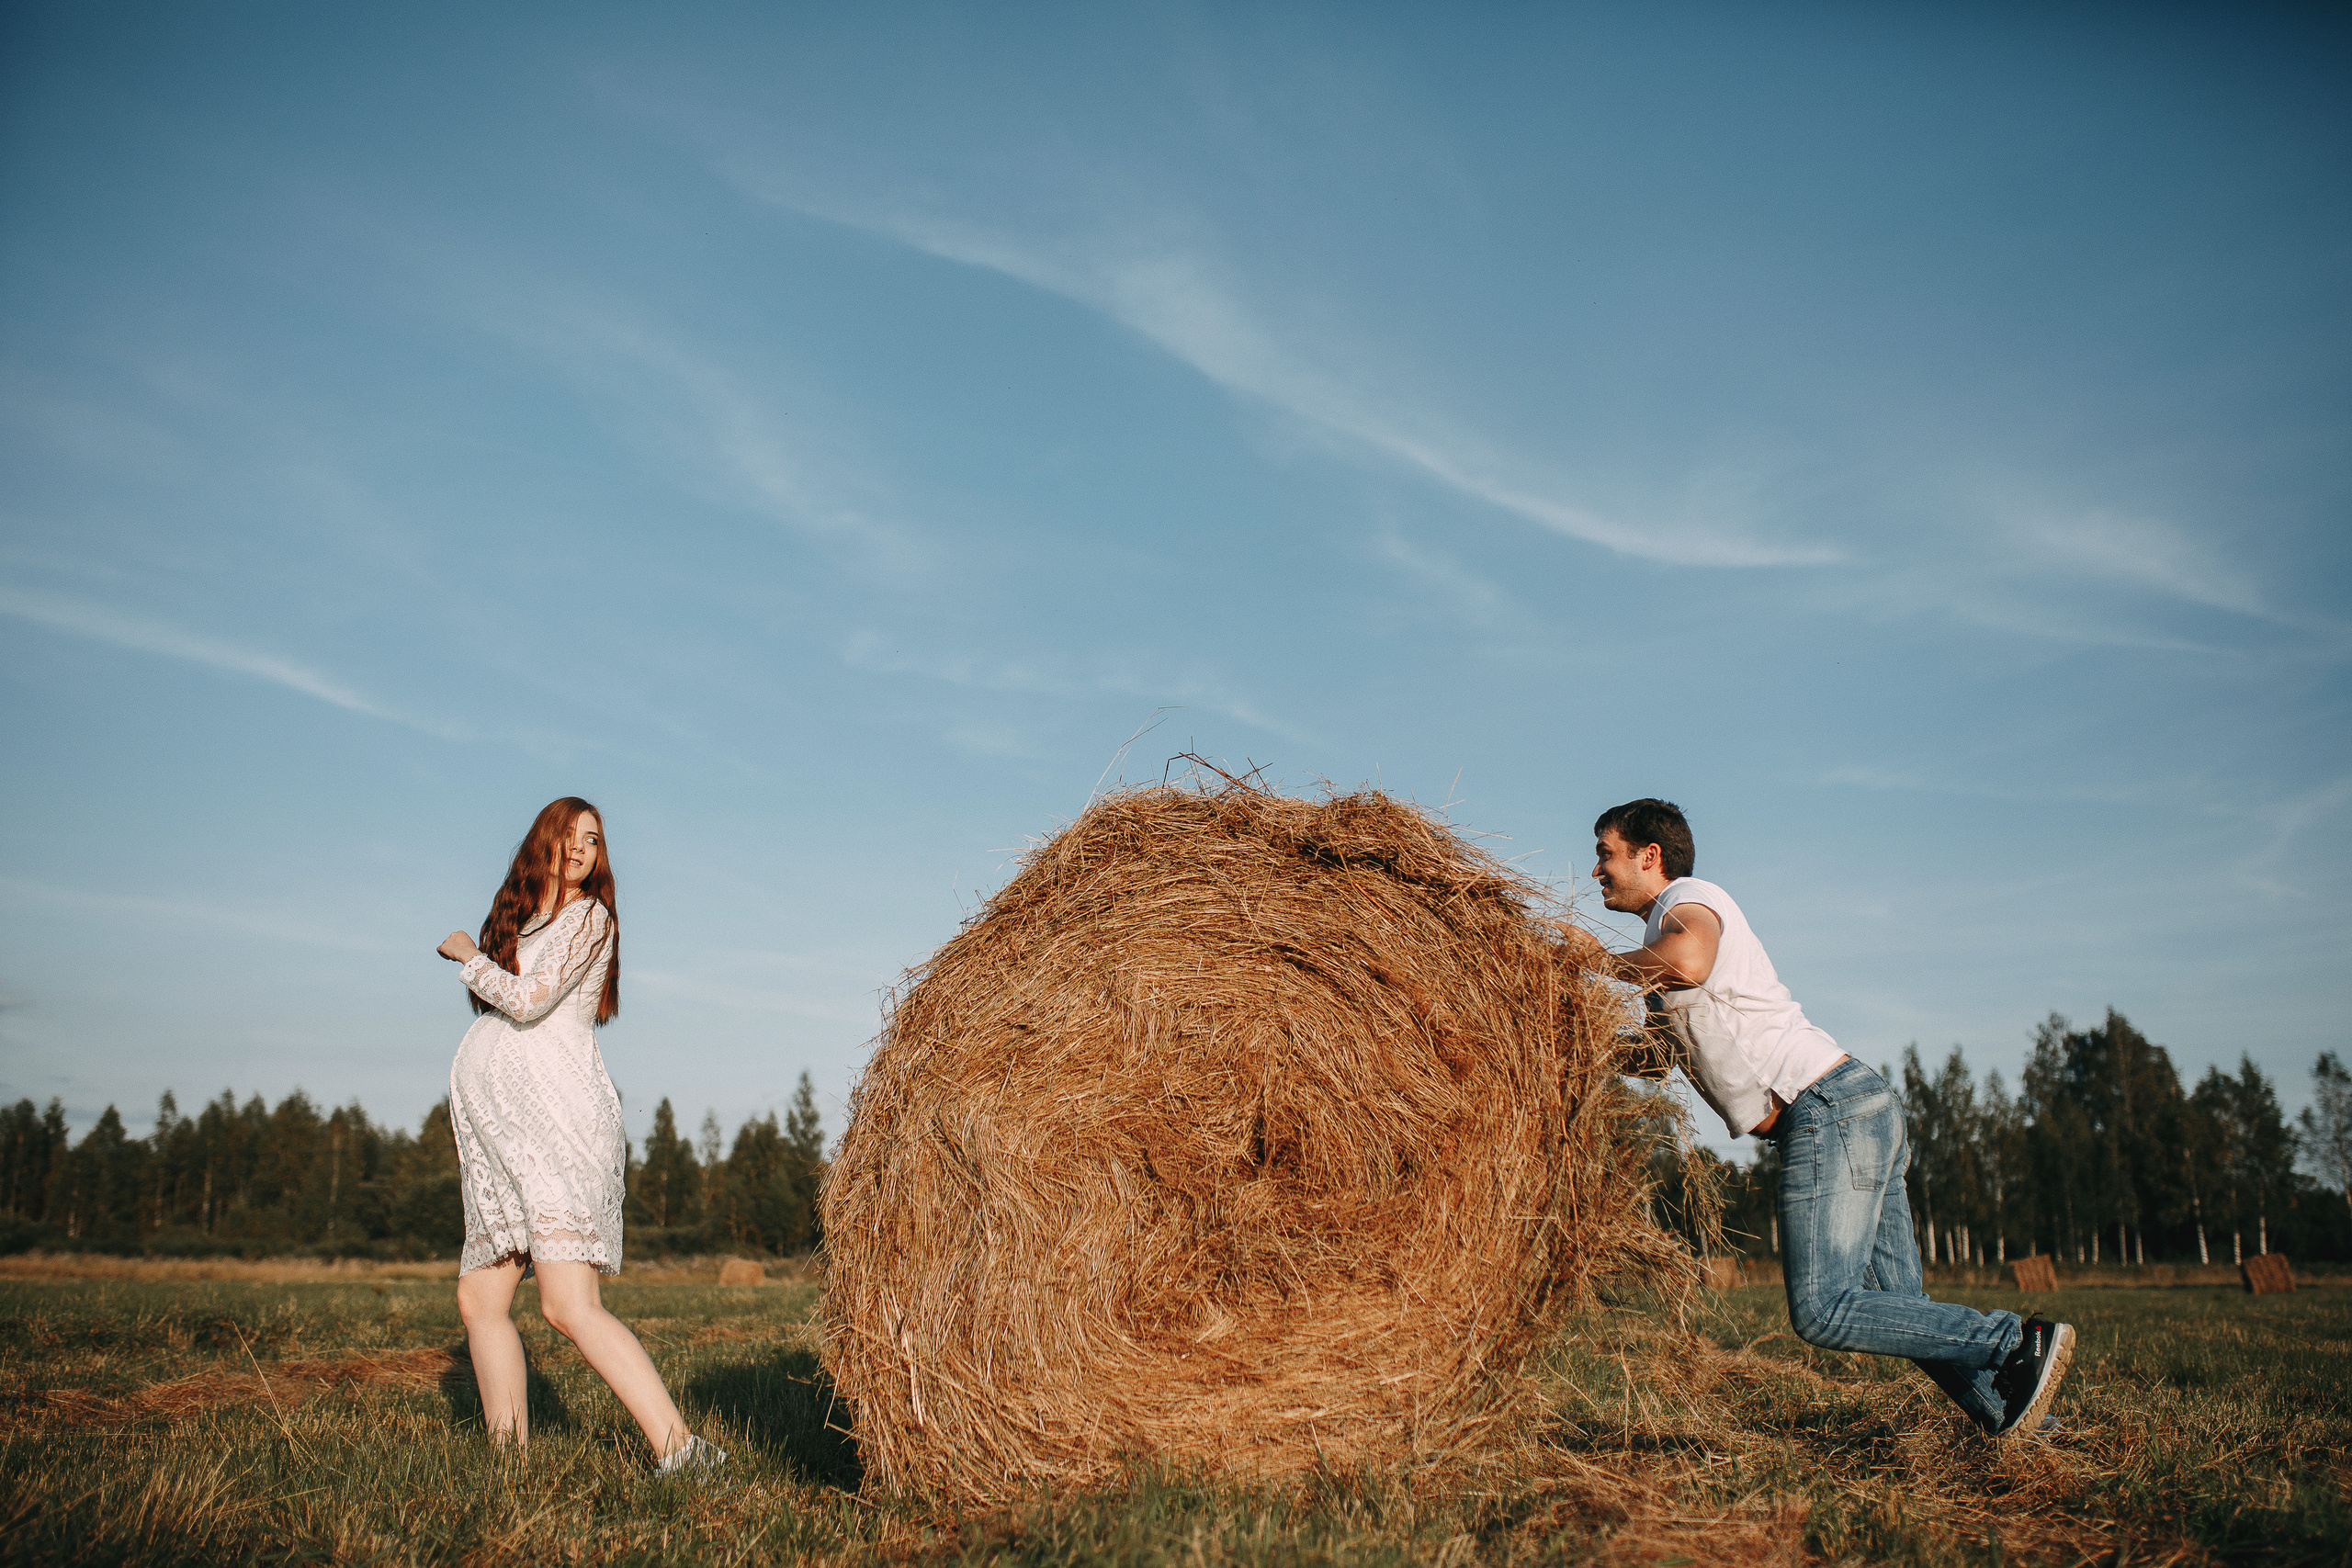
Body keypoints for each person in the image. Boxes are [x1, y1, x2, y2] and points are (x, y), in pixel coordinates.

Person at [1558, 798, 2075, 1440]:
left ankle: (2013, 1340)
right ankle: (2026, 1424)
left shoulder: (1687, 900)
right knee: (1901, 1312)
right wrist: (1572, 1037)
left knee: (1823, 1308)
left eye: (1605, 853)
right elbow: (1660, 1056)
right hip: (1853, 1106)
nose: (1596, 870)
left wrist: (1591, 962)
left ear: (1650, 856)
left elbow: (1689, 960)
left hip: (1827, 1110)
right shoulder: (1656, 943)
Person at [435, 795, 724, 1473]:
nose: (580, 848)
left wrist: (470, 959)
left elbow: (531, 1002)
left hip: (557, 1128)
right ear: (544, 842)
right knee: (479, 1301)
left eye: (592, 840)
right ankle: (511, 1464)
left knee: (569, 1305)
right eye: (569, 836)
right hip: (507, 1145)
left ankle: (684, 1451)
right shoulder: (536, 923)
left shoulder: (591, 918)